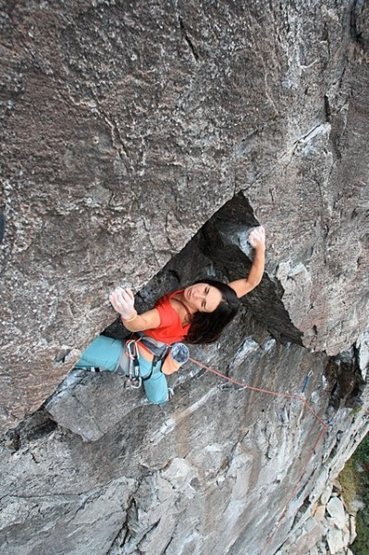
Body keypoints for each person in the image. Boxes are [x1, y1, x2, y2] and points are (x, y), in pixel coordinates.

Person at [75, 226, 266, 405]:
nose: (198, 294)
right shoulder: (219, 301)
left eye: (203, 302)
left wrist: (128, 312)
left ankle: (160, 395)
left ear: (203, 312)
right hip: (157, 350)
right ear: (211, 284)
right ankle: (160, 389)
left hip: (137, 358)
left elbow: (138, 323)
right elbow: (251, 283)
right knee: (154, 375)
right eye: (206, 290)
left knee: (76, 352)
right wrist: (260, 247)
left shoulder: (171, 314)